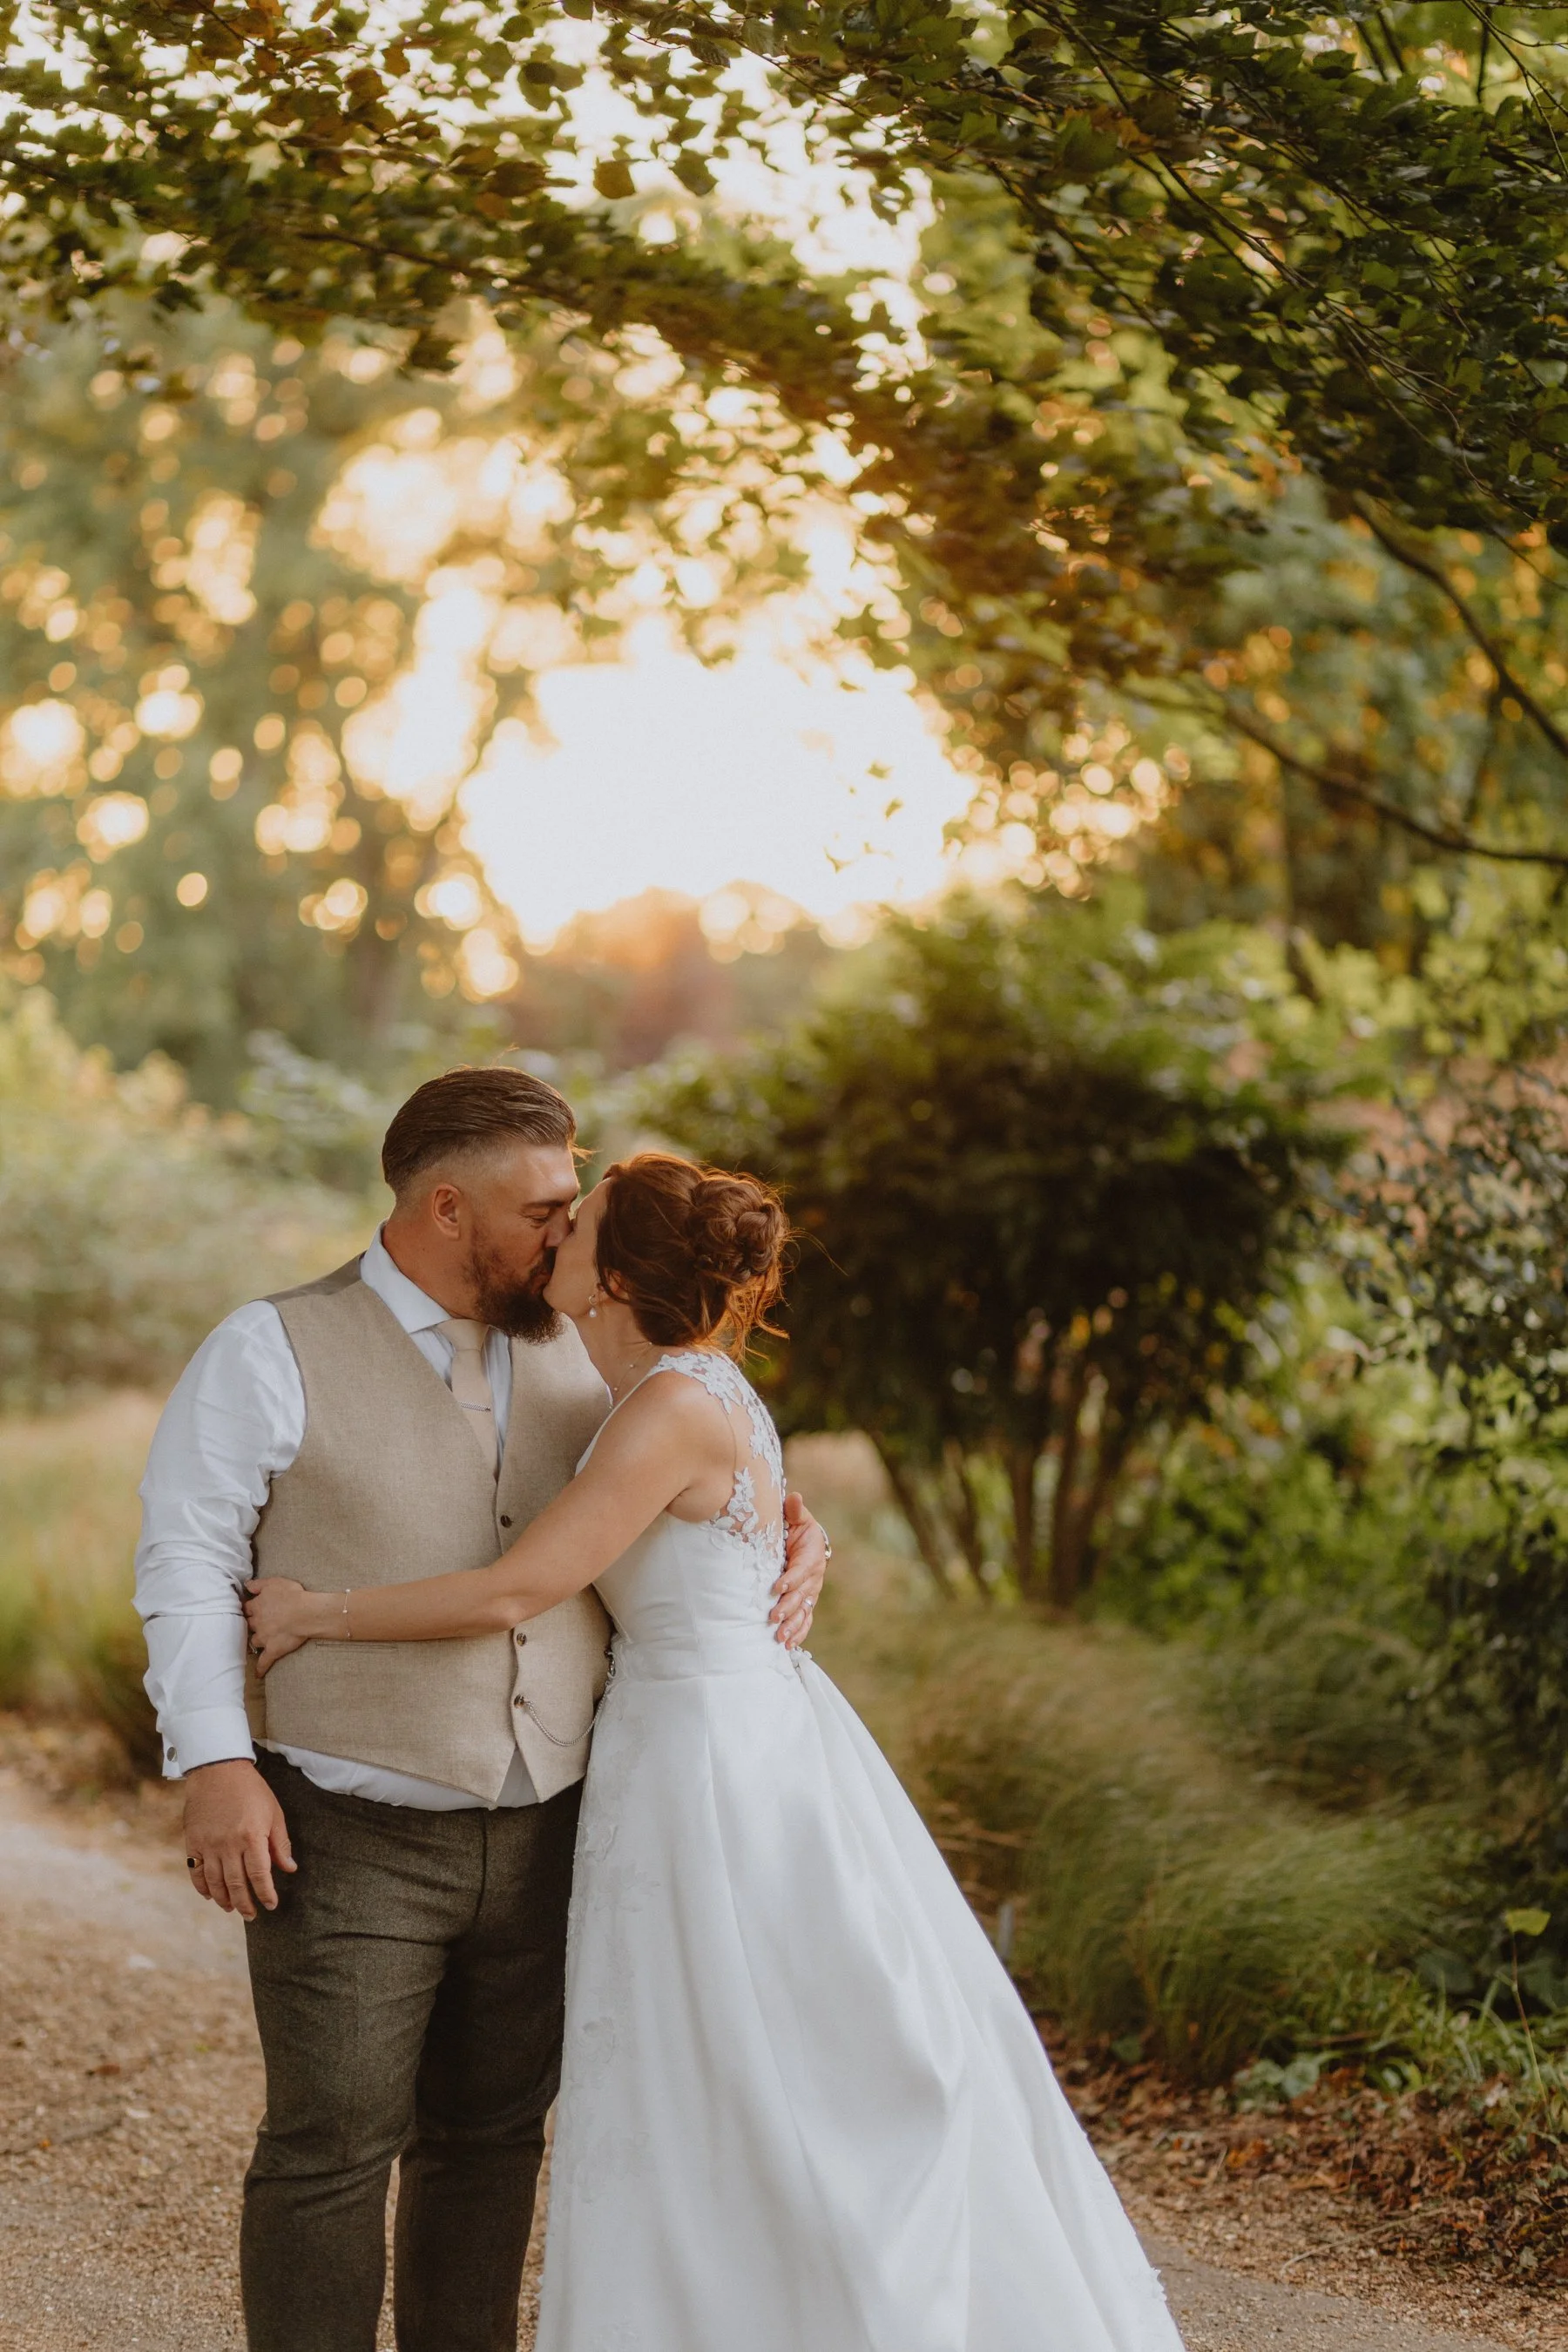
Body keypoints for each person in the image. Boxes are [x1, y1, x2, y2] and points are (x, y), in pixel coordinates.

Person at [245, 1150, 1186, 2352]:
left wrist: (317, 1612)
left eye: (574, 1225)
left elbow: (519, 1588)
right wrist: (804, 1537)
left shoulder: (674, 1406)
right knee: (710, 2065)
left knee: (731, 2060)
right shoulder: (697, 1389)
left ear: (616, 1274)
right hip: (720, 1730)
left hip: (708, 1762)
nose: (553, 1238)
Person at [133, 1070, 828, 2352]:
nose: (567, 1231)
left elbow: (706, 1476)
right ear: (447, 1207)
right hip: (345, 1822)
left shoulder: (599, 1342)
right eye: (546, 1205)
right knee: (331, 2141)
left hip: (560, 1821)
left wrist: (788, 1530)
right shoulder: (271, 1344)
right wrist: (214, 1760)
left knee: (493, 2143)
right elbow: (184, 1557)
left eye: (576, 1206)